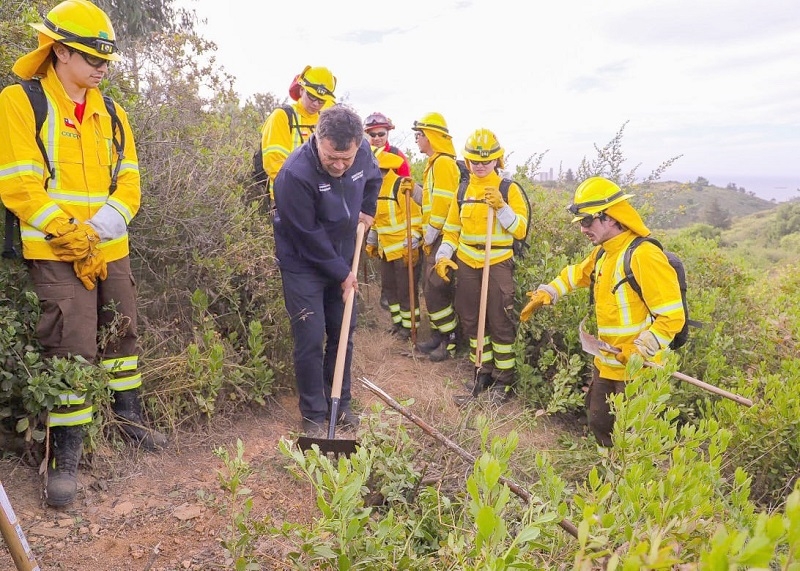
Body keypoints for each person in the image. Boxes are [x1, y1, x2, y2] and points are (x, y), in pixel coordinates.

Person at [0, 0, 165, 507]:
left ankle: (129, 418)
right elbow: (18, 183)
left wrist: (95, 233)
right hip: (54, 250)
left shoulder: (113, 113)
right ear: (60, 51)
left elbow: (130, 186)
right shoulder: (20, 100)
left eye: (106, 60)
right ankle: (63, 457)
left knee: (123, 328)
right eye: (93, 58)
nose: (101, 68)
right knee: (71, 344)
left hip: (109, 248)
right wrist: (67, 232)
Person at [520, 177, 686, 446]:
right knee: (600, 422)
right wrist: (547, 292)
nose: (583, 230)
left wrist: (640, 350)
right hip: (607, 364)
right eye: (580, 223)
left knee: (633, 437)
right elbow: (577, 274)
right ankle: (610, 478)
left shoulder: (643, 255)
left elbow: (672, 316)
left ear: (610, 218)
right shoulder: (603, 254)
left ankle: (638, 484)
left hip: (639, 369)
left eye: (587, 222)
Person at [272, 105, 382, 436]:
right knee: (309, 336)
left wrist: (367, 211)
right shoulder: (294, 175)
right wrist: (343, 274)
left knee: (342, 332)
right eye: (331, 156)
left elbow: (373, 179)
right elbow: (306, 236)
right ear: (316, 139)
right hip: (303, 262)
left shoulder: (362, 153)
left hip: (342, 254)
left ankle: (340, 403)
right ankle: (313, 413)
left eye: (346, 159)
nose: (339, 165)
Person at [435, 129, 529, 400]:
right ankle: (482, 371)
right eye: (474, 161)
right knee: (471, 319)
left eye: (485, 161)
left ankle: (503, 381)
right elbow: (452, 230)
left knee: (499, 321)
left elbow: (520, 230)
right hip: (467, 261)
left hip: (497, 261)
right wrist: (443, 256)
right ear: (467, 161)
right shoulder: (463, 189)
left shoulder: (507, 189)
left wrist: (502, 208)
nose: (479, 166)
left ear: (497, 160)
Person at [410, 112, 460, 361]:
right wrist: (414, 192)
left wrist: (428, 238)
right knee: (430, 290)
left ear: (430, 137)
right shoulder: (434, 164)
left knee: (437, 290)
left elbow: (443, 206)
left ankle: (449, 341)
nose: (417, 140)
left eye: (419, 135)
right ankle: (439, 336)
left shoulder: (443, 163)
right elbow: (432, 202)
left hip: (442, 239)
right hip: (435, 237)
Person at [365, 147, 422, 340]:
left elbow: (416, 217)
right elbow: (377, 219)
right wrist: (372, 242)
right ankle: (397, 324)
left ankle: (410, 327)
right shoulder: (374, 188)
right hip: (386, 251)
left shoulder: (400, 186)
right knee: (390, 289)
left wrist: (414, 240)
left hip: (403, 250)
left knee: (406, 291)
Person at [260, 65, 337, 204]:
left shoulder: (326, 119)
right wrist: (301, 189)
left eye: (321, 101)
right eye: (311, 97)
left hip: (319, 199)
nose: (315, 104)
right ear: (301, 90)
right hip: (287, 198)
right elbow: (274, 163)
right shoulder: (281, 116)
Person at [363, 111, 412, 311]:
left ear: (388, 134)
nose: (376, 139)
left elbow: (405, 183)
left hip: (390, 213)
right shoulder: (360, 153)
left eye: (380, 134)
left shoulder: (396, 155)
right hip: (366, 210)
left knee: (392, 262)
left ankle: (389, 295)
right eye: (372, 135)